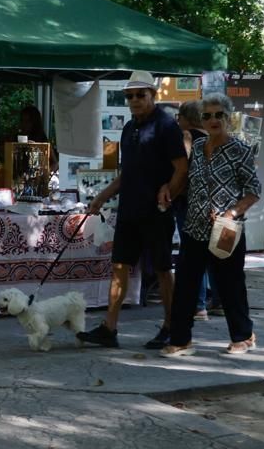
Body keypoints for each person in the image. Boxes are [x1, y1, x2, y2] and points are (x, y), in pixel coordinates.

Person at [77, 71, 187, 349]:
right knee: (119, 267)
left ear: (153, 94)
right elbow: (127, 173)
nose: (135, 100)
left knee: (162, 269)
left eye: (141, 95)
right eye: (130, 96)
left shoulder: (166, 125)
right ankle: (109, 328)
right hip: (129, 209)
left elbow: (181, 168)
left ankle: (172, 326)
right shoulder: (129, 128)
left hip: (156, 211)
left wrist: (168, 194)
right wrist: (101, 196)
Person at [160, 92, 261, 357]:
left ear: (228, 118)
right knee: (185, 284)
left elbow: (253, 190)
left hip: (225, 229)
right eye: (207, 115)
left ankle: (243, 336)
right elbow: (186, 182)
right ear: (201, 120)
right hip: (194, 227)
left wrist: (232, 213)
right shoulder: (198, 147)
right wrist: (168, 190)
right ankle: (181, 340)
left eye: (219, 115)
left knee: (230, 285)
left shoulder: (240, 149)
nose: (213, 120)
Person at [172, 101, 213, 326]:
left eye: (179, 116)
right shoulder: (213, 137)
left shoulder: (187, 136)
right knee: (211, 250)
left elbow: (182, 169)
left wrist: (170, 190)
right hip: (212, 201)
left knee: (191, 252)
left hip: (189, 200)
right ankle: (216, 299)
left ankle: (198, 305)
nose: (177, 120)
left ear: (187, 117)